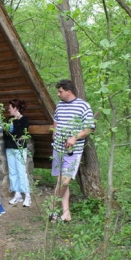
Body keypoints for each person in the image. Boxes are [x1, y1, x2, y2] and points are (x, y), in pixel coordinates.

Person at [51, 79, 95, 222]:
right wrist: (54, 132)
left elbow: (89, 127)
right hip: (58, 149)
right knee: (60, 181)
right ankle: (66, 213)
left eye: (60, 91)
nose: (58, 94)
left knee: (64, 182)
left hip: (73, 151)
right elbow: (56, 120)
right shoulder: (60, 105)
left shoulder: (83, 106)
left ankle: (51, 208)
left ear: (68, 92)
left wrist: (74, 137)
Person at [4, 99, 32, 207]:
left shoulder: (24, 119)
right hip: (9, 148)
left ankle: (27, 196)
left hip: (20, 149)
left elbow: (21, 133)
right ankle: (17, 194)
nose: (8, 110)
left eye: (10, 108)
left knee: (21, 172)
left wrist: (15, 122)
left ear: (15, 108)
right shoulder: (8, 119)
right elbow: (6, 135)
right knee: (12, 172)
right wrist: (14, 131)